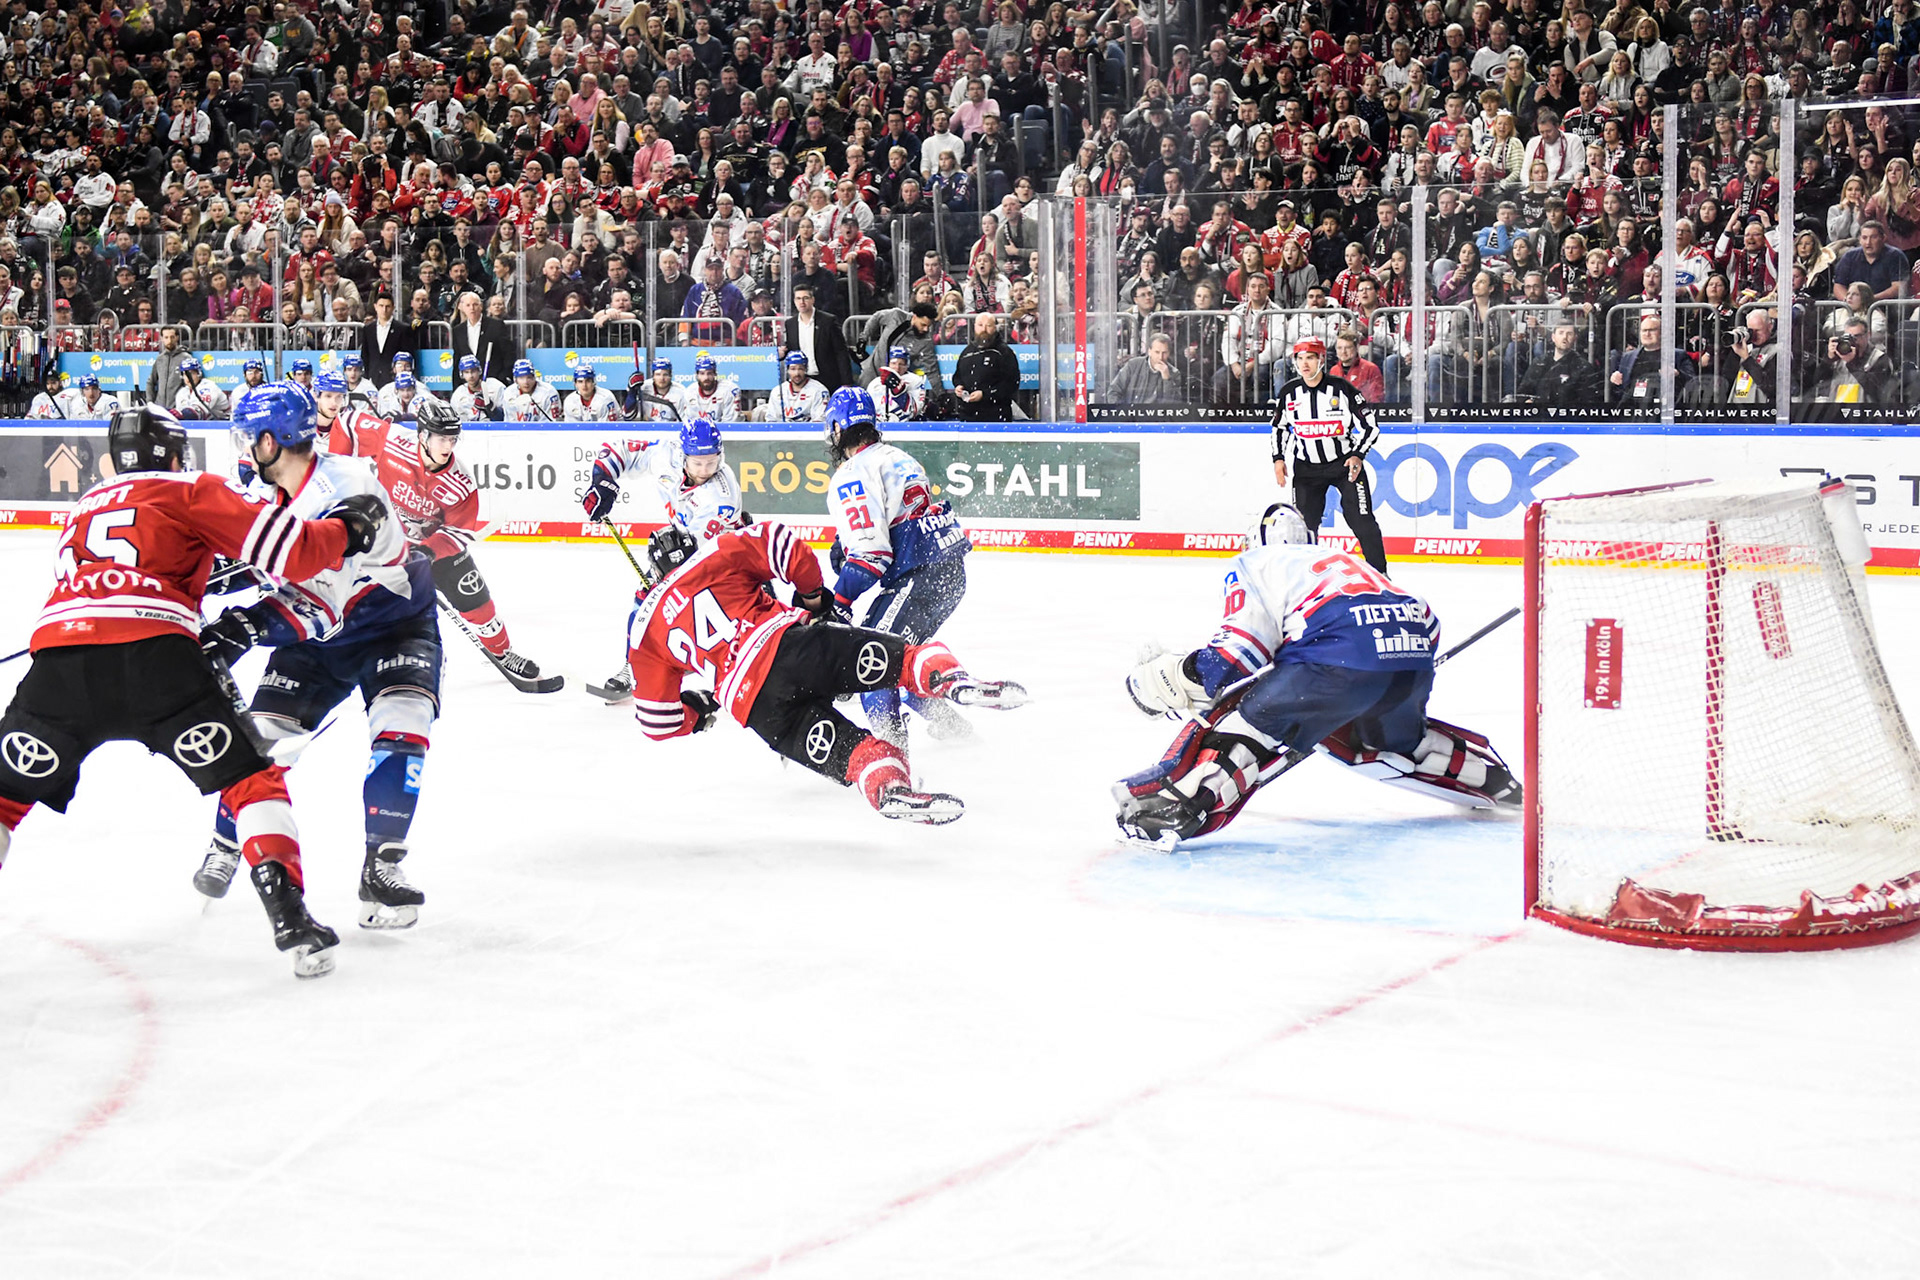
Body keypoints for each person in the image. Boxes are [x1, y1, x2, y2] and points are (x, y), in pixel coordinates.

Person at [0, 404, 380, 979]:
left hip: (60, 661)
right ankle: (292, 919)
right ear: (176, 453)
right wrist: (346, 529)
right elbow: (293, 550)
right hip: (157, 658)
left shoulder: (83, 507)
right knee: (251, 781)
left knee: (4, 796)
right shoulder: (190, 487)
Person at [1113, 503, 1519, 848]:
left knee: (1249, 720)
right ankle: (1495, 784)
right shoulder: (1348, 562)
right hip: (1408, 663)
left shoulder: (1259, 563)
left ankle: (1175, 808)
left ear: (1255, 542)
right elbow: (1425, 620)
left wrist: (1179, 677)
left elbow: (1237, 653)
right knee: (1396, 745)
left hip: (1334, 663)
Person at [189, 384, 443, 932]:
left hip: (391, 625)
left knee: (402, 724)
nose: (241, 448)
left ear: (270, 440)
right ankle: (226, 838)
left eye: (245, 437)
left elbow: (323, 603)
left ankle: (382, 865)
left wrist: (242, 627)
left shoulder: (345, 488)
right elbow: (267, 558)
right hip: (317, 633)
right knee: (260, 738)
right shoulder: (276, 491)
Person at [625, 522, 1024, 824]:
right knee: (902, 662)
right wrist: (813, 598)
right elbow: (784, 544)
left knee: (856, 755)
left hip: (758, 710)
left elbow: (657, 722)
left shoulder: (644, 628)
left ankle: (890, 786)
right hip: (792, 649)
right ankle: (952, 681)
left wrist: (695, 711)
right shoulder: (714, 552)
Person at [319, 380, 560, 693]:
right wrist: (344, 476)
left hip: (434, 547)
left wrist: (429, 552)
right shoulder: (392, 441)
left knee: (474, 597)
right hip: (386, 539)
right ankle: (339, 649)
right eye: (441, 438)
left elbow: (459, 531)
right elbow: (347, 423)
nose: (448, 446)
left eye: (452, 438)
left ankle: (502, 651)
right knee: (359, 592)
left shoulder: (460, 483)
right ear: (423, 435)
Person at [822, 388, 975, 748]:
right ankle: (955, 731)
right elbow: (894, 522)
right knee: (899, 664)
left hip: (918, 578)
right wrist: (846, 544)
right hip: (947, 571)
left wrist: (839, 604)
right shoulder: (897, 455)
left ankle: (894, 760)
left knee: (871, 666)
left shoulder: (852, 472)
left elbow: (872, 559)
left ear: (835, 429)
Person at [582, 416, 749, 700]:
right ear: (683, 455)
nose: (705, 470)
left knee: (715, 618)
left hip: (726, 556)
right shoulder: (666, 454)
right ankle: (633, 666)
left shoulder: (722, 495)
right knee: (645, 599)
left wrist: (664, 572)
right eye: (697, 462)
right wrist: (603, 482)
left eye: (712, 462)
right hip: (690, 541)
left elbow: (696, 556)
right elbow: (618, 448)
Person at [1269, 338, 1388, 574]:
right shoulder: (1288, 392)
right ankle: (1305, 576)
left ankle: (1380, 574)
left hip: (1344, 465)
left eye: (1310, 358)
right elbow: (1279, 427)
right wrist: (1278, 459)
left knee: (1361, 519)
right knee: (1303, 526)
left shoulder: (1343, 390)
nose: (1305, 364)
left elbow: (1371, 426)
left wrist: (1358, 455)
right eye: (1300, 358)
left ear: (1321, 360)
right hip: (1306, 469)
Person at [779, 282, 856, 388]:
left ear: (812, 300)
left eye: (805, 298)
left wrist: (847, 382)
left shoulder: (828, 321)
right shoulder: (790, 324)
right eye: (798, 298)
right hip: (802, 380)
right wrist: (783, 353)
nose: (802, 302)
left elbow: (841, 352)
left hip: (827, 379)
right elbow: (792, 349)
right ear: (794, 301)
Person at [1517, 321, 1605, 408]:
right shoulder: (1539, 362)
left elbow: (1590, 402)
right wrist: (1527, 402)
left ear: (1575, 338)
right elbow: (1523, 392)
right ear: (1553, 337)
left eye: (1569, 334)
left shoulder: (1583, 367)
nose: (1564, 337)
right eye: (1561, 333)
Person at [952, 313, 1020, 420]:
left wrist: (985, 394)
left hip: (996, 415)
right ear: (974, 327)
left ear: (995, 327)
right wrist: (959, 386)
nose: (984, 329)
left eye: (988, 325)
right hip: (968, 414)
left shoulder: (1004, 352)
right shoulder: (967, 352)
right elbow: (958, 376)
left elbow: (1011, 383)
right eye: (980, 325)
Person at [758, 350, 833, 421]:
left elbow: (819, 420)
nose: (797, 373)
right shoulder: (778, 391)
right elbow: (772, 420)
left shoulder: (819, 390)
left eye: (800, 369)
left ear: (806, 369)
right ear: (787, 370)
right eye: (793, 369)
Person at [869, 346, 932, 420]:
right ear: (888, 363)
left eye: (901, 364)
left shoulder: (915, 381)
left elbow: (915, 410)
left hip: (904, 427)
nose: (897, 367)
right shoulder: (875, 384)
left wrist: (899, 392)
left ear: (907, 365)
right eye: (893, 363)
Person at [678, 352, 742, 420]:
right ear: (696, 375)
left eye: (709, 373)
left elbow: (730, 425)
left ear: (715, 374)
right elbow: (690, 423)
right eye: (702, 374)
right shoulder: (689, 392)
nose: (706, 378)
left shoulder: (729, 390)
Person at [449, 355, 509, 421]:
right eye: (466, 372)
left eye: (473, 371)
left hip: (493, 429)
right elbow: (455, 420)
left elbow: (506, 417)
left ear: (479, 371)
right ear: (461, 374)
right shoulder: (458, 394)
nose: (470, 375)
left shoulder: (496, 386)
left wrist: (491, 408)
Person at [173, 355, 232, 419]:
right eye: (185, 374)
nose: (188, 378)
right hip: (204, 424)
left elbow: (195, 414)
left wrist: (179, 414)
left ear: (199, 374)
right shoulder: (182, 392)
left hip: (223, 424)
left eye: (191, 373)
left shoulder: (209, 387)